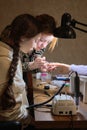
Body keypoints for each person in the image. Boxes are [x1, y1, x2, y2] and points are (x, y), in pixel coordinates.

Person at [0, 13, 45, 129]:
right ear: (23, 37)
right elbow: (9, 113)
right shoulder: (5, 61)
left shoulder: (10, 53)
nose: (36, 46)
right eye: (36, 40)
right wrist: (29, 119)